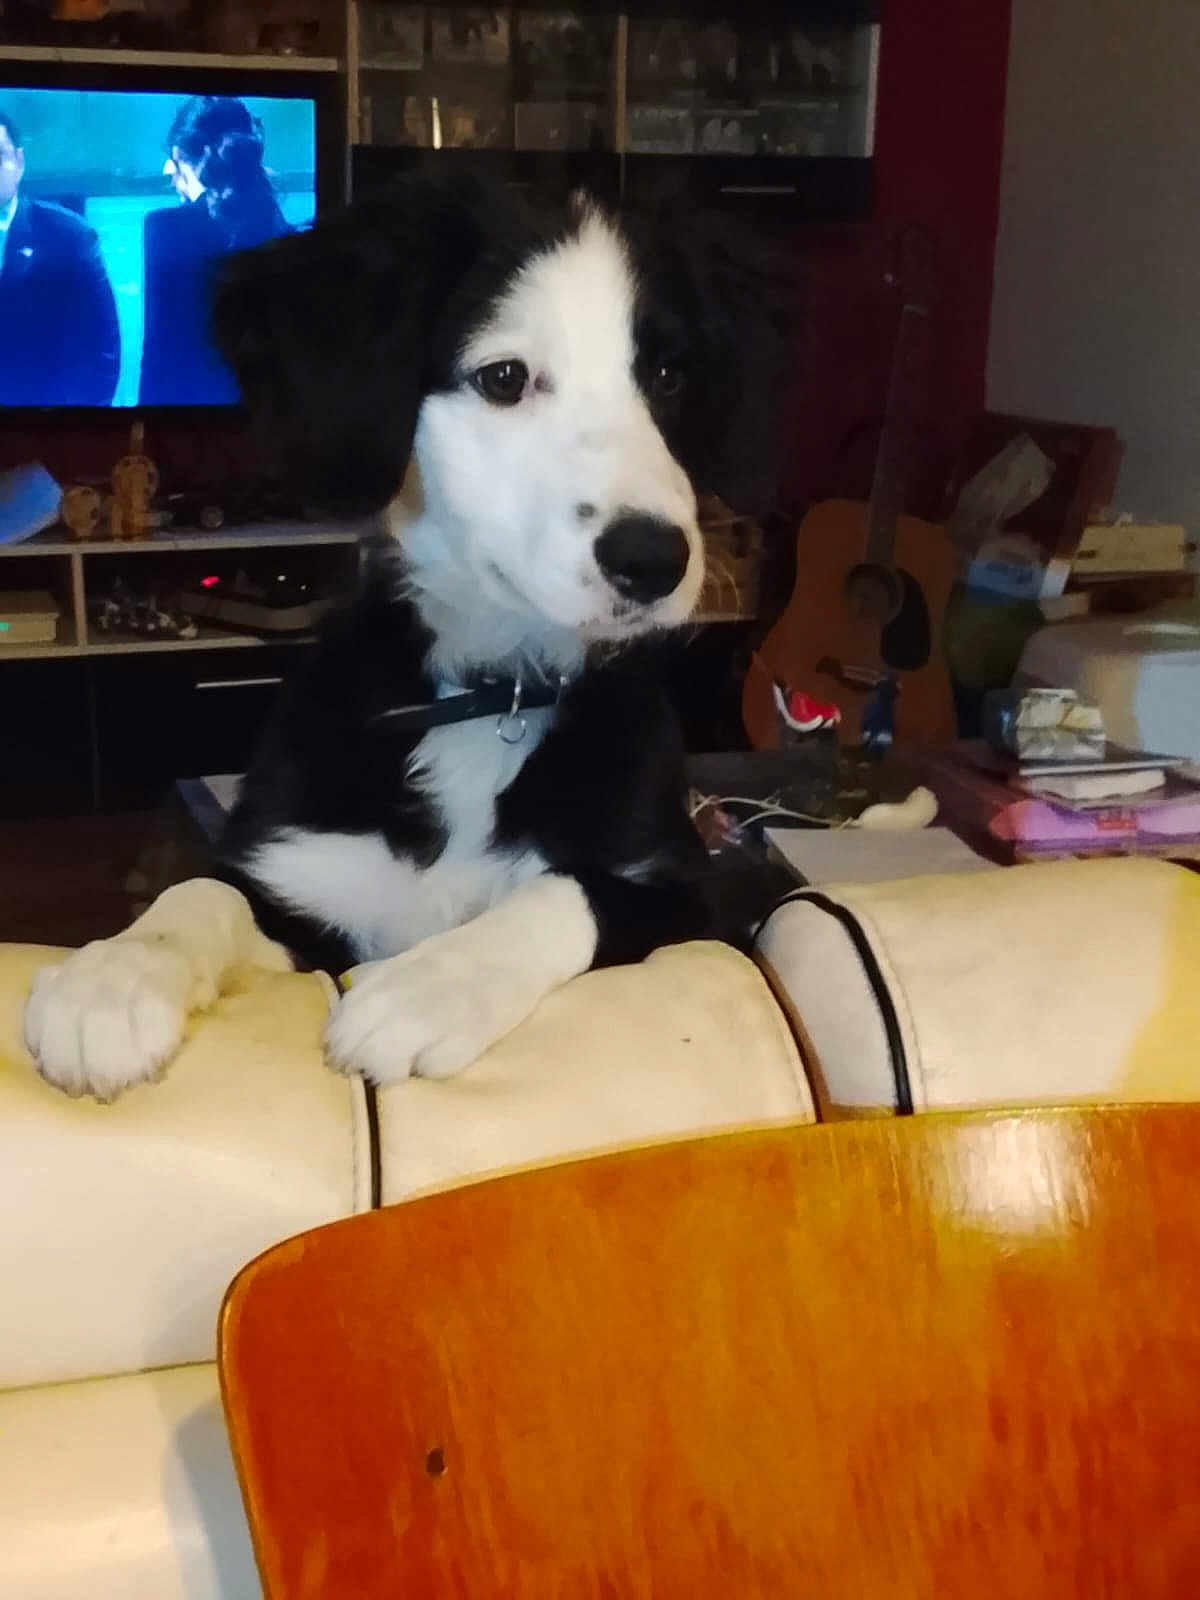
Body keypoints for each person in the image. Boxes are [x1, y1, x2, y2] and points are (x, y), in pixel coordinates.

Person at [139, 96, 293, 407]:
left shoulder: (164, 229)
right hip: (270, 423)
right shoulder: (286, 234)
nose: (168, 171)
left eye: (172, 159)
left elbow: (160, 351)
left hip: (184, 422)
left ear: (181, 155)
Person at [0, 108, 120, 407]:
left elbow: (101, 350)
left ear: (19, 161)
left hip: (46, 428)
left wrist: (74, 433)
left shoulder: (69, 235)